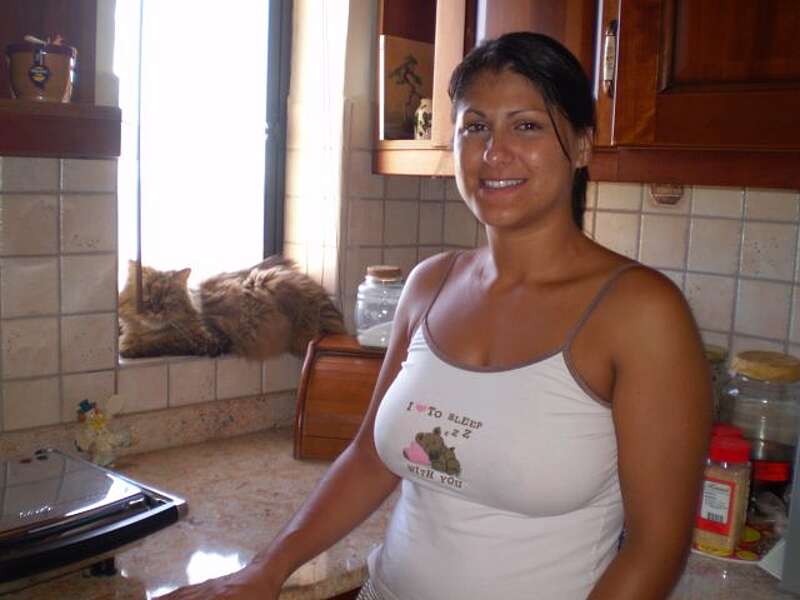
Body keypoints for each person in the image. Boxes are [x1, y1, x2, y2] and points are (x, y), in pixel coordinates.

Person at [165, 32, 712, 600]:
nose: (494, 152)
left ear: (580, 146)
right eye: (475, 127)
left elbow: (656, 546)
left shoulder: (641, 313)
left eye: (526, 125)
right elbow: (370, 459)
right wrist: (266, 569)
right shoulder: (430, 284)